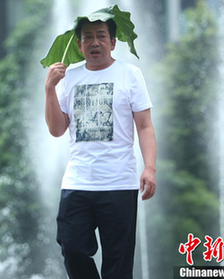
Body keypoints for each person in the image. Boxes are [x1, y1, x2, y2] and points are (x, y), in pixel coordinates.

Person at [44, 15, 157, 279]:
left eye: (101, 36)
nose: (95, 42)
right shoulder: (69, 78)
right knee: (72, 248)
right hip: (78, 182)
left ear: (113, 42)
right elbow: (56, 129)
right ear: (80, 46)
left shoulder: (130, 75)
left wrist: (149, 168)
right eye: (88, 37)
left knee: (118, 263)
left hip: (119, 183)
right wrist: (50, 88)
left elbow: (144, 126)